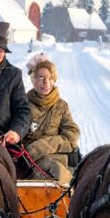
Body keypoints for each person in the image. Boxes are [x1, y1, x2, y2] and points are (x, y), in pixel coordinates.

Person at [23, 54, 80, 184]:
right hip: (29, 161)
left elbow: (71, 135)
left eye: (50, 78)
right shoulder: (23, 104)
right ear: (33, 80)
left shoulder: (61, 106)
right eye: (41, 77)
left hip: (57, 158)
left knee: (59, 173)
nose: (46, 83)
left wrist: (42, 146)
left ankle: (71, 199)